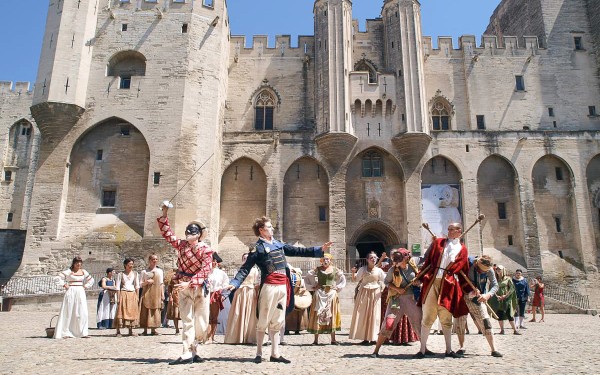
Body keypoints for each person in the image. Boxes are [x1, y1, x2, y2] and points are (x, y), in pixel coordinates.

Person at [225, 216, 332, 364]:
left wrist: (318, 250)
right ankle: (259, 352)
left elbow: (297, 251)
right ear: (261, 230)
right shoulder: (258, 249)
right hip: (269, 287)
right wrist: (235, 282)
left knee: (278, 320)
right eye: (269, 227)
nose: (272, 229)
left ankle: (275, 353)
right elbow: (245, 268)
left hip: (283, 286)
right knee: (263, 318)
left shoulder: (278, 244)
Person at [158, 204, 214, 365]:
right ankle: (186, 352)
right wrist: (164, 213)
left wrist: (190, 282)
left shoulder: (206, 250)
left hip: (199, 288)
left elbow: (206, 270)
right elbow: (167, 234)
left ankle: (194, 348)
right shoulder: (181, 245)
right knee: (187, 320)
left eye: (193, 231)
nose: (189, 233)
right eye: (188, 230)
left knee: (202, 323)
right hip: (183, 287)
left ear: (199, 235)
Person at [415, 222, 468, 359]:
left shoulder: (462, 249)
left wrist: (468, 289)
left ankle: (449, 350)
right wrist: (419, 277)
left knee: (446, 317)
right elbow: (427, 262)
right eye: (448, 229)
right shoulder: (439, 242)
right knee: (427, 316)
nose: (449, 231)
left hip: (448, 283)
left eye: (452, 229)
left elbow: (464, 269)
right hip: (433, 281)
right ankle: (422, 350)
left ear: (459, 231)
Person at [372, 248, 423, 357]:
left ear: (406, 258)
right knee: (388, 323)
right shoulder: (392, 270)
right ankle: (376, 350)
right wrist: (397, 289)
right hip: (396, 299)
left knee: (418, 322)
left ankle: (424, 349)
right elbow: (386, 282)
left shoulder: (413, 268)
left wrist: (418, 282)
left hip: (411, 299)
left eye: (399, 259)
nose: (396, 262)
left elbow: (420, 280)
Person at [455, 255, 502, 357]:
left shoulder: (489, 270)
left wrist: (487, 295)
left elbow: (495, 285)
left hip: (479, 298)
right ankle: (461, 347)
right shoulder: (468, 266)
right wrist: (470, 290)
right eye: (481, 271)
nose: (483, 273)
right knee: (460, 321)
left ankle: (494, 349)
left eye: (485, 272)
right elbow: (461, 280)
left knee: (486, 321)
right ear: (477, 265)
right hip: (463, 296)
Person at [305, 253, 346, 345]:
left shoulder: (335, 269)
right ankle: (316, 340)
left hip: (331, 293)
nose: (325, 261)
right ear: (321, 261)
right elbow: (307, 277)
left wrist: (337, 287)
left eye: (327, 259)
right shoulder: (317, 269)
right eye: (324, 259)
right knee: (318, 314)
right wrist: (313, 287)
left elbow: (343, 279)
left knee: (331, 314)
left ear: (330, 260)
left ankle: (333, 339)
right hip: (320, 293)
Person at [349, 252, 386, 345]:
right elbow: (356, 279)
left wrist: (382, 289)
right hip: (363, 293)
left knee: (374, 315)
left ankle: (373, 337)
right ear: (367, 259)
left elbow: (385, 280)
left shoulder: (379, 270)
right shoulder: (362, 269)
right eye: (371, 258)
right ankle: (365, 337)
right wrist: (353, 273)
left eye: (374, 258)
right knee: (363, 314)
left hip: (375, 293)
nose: (373, 259)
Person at [54, 256, 94, 339]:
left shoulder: (83, 271)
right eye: (77, 262)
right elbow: (57, 278)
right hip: (71, 291)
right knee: (69, 311)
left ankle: (83, 332)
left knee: (82, 312)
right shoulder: (69, 271)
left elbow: (91, 280)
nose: (79, 264)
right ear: (74, 263)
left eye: (80, 262)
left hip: (80, 291)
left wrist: (85, 286)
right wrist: (64, 285)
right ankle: (65, 332)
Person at [225, 253, 260, 344]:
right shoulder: (238, 270)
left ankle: (249, 337)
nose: (245, 259)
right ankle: (236, 337)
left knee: (250, 314)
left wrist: (257, 294)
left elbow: (256, 283)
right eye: (244, 258)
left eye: (247, 258)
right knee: (238, 313)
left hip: (250, 292)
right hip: (240, 292)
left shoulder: (255, 270)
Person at [489, 265, 520, 335]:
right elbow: (492, 288)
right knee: (499, 315)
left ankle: (515, 330)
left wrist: (505, 296)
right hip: (498, 300)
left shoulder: (508, 279)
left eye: (499, 269)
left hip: (506, 300)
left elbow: (512, 288)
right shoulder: (495, 279)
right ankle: (502, 330)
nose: (498, 271)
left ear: (503, 270)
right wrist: (497, 296)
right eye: (497, 270)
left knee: (509, 314)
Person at [207, 252, 229, 344]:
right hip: (206, 295)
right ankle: (206, 336)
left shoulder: (221, 273)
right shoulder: (205, 272)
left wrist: (223, 294)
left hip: (216, 295)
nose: (213, 263)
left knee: (214, 316)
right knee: (206, 316)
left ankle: (212, 336)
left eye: (215, 261)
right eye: (212, 261)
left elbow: (226, 284)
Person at [114, 258, 140, 337]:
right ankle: (118, 331)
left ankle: (130, 330)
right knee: (121, 311)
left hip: (132, 294)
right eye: (129, 264)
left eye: (132, 264)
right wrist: (118, 297)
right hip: (124, 293)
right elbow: (118, 286)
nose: (131, 266)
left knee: (131, 311)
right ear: (125, 265)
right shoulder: (121, 274)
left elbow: (137, 285)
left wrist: (137, 296)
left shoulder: (135, 274)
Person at [139, 254, 164, 336]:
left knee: (155, 310)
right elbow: (140, 284)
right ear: (149, 260)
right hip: (147, 292)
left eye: (156, 259)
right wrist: (146, 282)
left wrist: (162, 295)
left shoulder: (160, 271)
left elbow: (161, 284)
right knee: (145, 310)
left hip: (156, 292)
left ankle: (154, 329)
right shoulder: (144, 272)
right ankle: (145, 329)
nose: (155, 261)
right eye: (153, 259)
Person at [285, 266, 311, 336]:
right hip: (292, 296)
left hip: (295, 297)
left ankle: (296, 329)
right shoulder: (291, 276)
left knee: (296, 315)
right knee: (290, 314)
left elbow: (303, 287)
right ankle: (289, 329)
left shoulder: (297, 277)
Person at [165, 269, 181, 334]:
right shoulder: (172, 276)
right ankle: (177, 329)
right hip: (175, 295)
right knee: (175, 313)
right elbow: (169, 287)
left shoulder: (185, 274)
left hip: (183, 294)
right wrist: (170, 296)